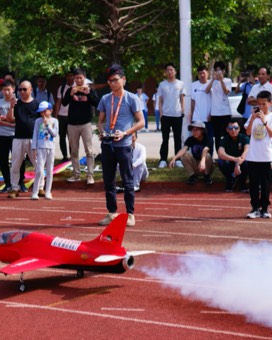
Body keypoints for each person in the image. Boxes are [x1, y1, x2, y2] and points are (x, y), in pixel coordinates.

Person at [96, 64, 145, 227]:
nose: (112, 83)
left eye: (115, 80)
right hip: (108, 144)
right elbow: (100, 122)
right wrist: (102, 132)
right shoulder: (105, 99)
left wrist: (126, 133)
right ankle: (111, 213)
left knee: (127, 180)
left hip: (124, 145)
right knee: (108, 180)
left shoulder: (132, 98)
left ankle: (130, 214)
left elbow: (141, 122)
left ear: (123, 79)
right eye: (109, 81)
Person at [245, 91, 272, 218]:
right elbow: (248, 132)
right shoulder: (253, 116)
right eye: (259, 104)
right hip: (253, 155)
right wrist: (253, 118)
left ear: (270, 103)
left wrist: (265, 122)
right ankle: (254, 208)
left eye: (264, 104)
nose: (261, 107)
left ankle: (265, 208)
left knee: (265, 183)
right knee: (253, 183)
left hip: (266, 155)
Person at [62, 67, 98, 185]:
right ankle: (76, 174)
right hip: (72, 124)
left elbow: (97, 103)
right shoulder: (70, 89)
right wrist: (70, 94)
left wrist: (88, 97)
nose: (78, 80)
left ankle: (90, 175)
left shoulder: (89, 89)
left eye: (80, 78)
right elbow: (64, 102)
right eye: (76, 78)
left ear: (84, 78)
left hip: (86, 124)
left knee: (89, 151)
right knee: (74, 151)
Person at [8, 80, 40, 198]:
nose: (21, 92)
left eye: (24, 89)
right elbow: (10, 119)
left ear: (31, 89)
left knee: (38, 164)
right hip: (18, 138)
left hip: (33, 139)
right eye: (20, 89)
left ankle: (40, 187)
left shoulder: (36, 104)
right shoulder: (16, 103)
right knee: (16, 164)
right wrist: (11, 107)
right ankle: (14, 188)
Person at [157, 63, 186, 168]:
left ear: (175, 71)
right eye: (168, 70)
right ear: (165, 72)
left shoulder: (180, 84)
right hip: (165, 115)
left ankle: (178, 160)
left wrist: (182, 111)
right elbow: (160, 100)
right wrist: (160, 113)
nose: (170, 72)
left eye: (171, 70)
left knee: (177, 139)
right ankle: (163, 160)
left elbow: (182, 99)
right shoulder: (162, 85)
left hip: (177, 115)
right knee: (165, 139)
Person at [0, 80, 18, 192]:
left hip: (15, 135)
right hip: (2, 134)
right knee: (3, 160)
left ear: (13, 89)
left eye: (8, 90)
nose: (6, 92)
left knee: (18, 159)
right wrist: (9, 122)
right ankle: (7, 183)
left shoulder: (18, 102)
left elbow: (18, 118)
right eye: (4, 90)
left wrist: (5, 118)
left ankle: (19, 182)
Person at [169, 120, 214, 185]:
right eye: (193, 130)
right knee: (185, 155)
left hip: (206, 165)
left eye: (197, 130)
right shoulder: (190, 139)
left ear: (202, 131)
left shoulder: (208, 139)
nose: (194, 132)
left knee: (207, 156)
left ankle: (207, 176)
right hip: (196, 165)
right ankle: (192, 176)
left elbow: (205, 150)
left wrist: (202, 161)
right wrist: (175, 158)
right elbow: (183, 149)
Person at [31, 101, 58, 200]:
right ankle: (35, 192)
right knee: (39, 171)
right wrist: (34, 148)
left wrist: (47, 125)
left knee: (50, 171)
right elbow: (35, 135)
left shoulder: (54, 121)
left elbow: (55, 134)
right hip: (40, 147)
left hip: (50, 147)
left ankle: (48, 192)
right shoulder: (38, 121)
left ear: (50, 111)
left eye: (44, 111)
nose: (42, 114)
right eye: (41, 112)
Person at [206, 61, 233, 152]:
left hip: (225, 112)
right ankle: (219, 155)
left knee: (227, 134)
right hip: (215, 113)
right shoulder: (211, 81)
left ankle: (228, 153)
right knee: (217, 136)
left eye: (219, 70)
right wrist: (213, 79)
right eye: (216, 70)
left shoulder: (227, 81)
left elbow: (226, 92)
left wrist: (221, 80)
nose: (218, 72)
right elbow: (206, 91)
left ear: (223, 71)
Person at [217, 120, 249, 192]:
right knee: (221, 162)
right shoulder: (224, 139)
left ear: (239, 129)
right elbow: (220, 153)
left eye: (235, 128)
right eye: (230, 128)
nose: (233, 130)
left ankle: (242, 182)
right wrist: (235, 160)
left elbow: (247, 151)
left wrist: (238, 163)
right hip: (230, 162)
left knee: (247, 162)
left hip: (242, 162)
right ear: (227, 130)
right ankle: (230, 179)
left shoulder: (244, 138)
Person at [190, 66, 212, 151]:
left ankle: (209, 157)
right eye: (200, 73)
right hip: (197, 117)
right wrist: (192, 115)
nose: (202, 75)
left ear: (207, 73)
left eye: (204, 73)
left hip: (208, 117)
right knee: (196, 138)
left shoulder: (212, 84)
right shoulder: (193, 85)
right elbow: (193, 101)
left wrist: (211, 114)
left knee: (209, 138)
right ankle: (195, 156)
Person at [54, 70, 74, 161]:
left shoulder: (77, 87)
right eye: (68, 75)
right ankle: (65, 156)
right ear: (66, 77)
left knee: (72, 137)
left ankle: (72, 156)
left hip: (72, 116)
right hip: (62, 116)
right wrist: (56, 116)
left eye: (72, 75)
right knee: (62, 137)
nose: (70, 77)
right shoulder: (61, 88)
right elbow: (58, 101)